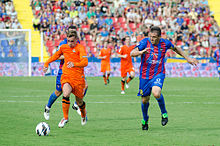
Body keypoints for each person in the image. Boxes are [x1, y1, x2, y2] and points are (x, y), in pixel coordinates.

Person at [130, 26, 198, 130]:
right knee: (144, 100)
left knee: (156, 93)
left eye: (154, 37)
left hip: (158, 73)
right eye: (151, 36)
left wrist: (187, 58)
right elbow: (132, 53)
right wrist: (140, 52)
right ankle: (145, 119)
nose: (152, 39)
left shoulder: (165, 43)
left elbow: (176, 48)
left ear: (159, 37)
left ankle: (164, 113)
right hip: (145, 76)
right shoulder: (144, 42)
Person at [43, 31, 88, 127]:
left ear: (76, 40)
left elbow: (85, 62)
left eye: (72, 41)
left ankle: (83, 115)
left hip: (78, 78)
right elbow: (56, 55)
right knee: (66, 93)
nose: (70, 43)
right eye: (68, 41)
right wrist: (47, 63)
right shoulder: (64, 47)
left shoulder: (80, 48)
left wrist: (74, 64)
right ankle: (65, 118)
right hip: (67, 76)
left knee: (80, 102)